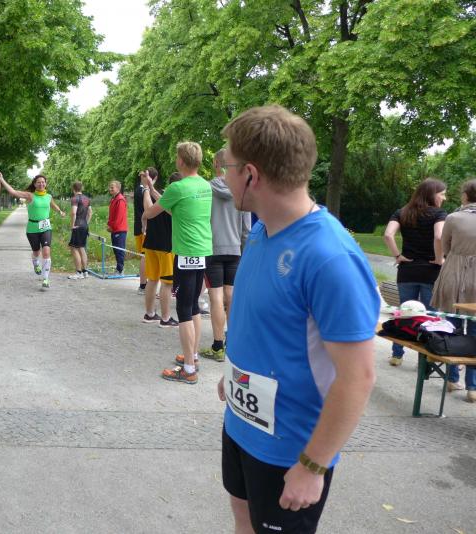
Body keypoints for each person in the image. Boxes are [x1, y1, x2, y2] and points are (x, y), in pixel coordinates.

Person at [216, 105, 379, 533]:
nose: (224, 177)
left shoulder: (330, 257)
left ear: (251, 175)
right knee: (242, 520)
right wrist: (234, 374)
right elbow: (263, 321)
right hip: (241, 425)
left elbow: (358, 377)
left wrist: (313, 464)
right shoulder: (260, 230)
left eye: (227, 167)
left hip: (290, 450)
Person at [142, 141, 212, 384]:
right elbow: (176, 209)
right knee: (193, 307)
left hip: (185, 253)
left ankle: (189, 370)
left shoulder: (178, 187)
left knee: (183, 309)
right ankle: (193, 356)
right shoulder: (205, 186)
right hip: (203, 250)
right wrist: (153, 188)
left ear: (181, 161)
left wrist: (146, 198)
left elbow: (153, 212)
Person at [383, 178, 447, 366]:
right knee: (430, 316)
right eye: (442, 194)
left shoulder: (402, 212)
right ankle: (427, 359)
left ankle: (397, 354)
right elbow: (439, 236)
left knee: (404, 312)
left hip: (407, 272)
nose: (444, 198)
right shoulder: (439, 214)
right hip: (431, 272)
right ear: (432, 194)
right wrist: (439, 258)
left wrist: (397, 255)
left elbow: (388, 235)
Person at [204, 148, 251, 361]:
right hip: (235, 249)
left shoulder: (206, 189)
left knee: (215, 296)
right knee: (231, 295)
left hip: (212, 249)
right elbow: (247, 229)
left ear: (216, 163)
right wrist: (244, 252)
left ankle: (217, 346)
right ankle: (233, 343)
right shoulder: (241, 192)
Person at [431, 178, 476, 402]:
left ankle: (451, 378)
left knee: (452, 324)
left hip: (454, 271)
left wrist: (456, 255)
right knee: (475, 328)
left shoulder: (453, 218)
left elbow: (445, 244)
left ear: (466, 195)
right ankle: (473, 387)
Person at [0, 173, 65, 289]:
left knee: (46, 251)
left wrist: (60, 211)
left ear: (46, 184)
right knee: (36, 252)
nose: (41, 184)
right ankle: (36, 262)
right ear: (35, 184)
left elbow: (53, 205)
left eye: (43, 182)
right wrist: (1, 179)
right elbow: (13, 192)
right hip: (32, 228)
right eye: (39, 182)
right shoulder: (30, 196)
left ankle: (45, 278)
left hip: (46, 227)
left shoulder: (48, 196)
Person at [141, 171, 179, 328]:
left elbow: (147, 211)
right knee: (167, 283)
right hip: (166, 246)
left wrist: (147, 188)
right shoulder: (176, 199)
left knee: (152, 280)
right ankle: (165, 318)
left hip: (151, 243)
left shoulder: (158, 195)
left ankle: (149, 314)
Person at [134, 170, 156, 293]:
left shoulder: (139, 190)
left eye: (143, 175)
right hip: (144, 228)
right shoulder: (144, 191)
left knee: (145, 256)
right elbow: (148, 211)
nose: (142, 177)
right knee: (145, 256)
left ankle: (144, 284)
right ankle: (143, 285)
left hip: (140, 227)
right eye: (142, 175)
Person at [67, 181, 92, 280]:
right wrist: (86, 223)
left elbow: (74, 212)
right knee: (82, 248)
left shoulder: (75, 199)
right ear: (82, 188)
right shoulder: (87, 199)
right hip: (84, 225)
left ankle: (78, 272)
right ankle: (85, 272)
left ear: (73, 189)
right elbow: (90, 212)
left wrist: (72, 225)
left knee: (74, 248)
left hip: (77, 225)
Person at [107, 180, 128, 275]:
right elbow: (112, 214)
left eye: (112, 187)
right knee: (116, 249)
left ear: (118, 188)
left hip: (120, 229)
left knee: (119, 250)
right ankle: (118, 269)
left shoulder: (120, 200)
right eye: (110, 187)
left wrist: (113, 227)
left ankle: (120, 270)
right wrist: (109, 224)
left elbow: (119, 216)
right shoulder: (114, 199)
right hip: (115, 229)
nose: (110, 189)